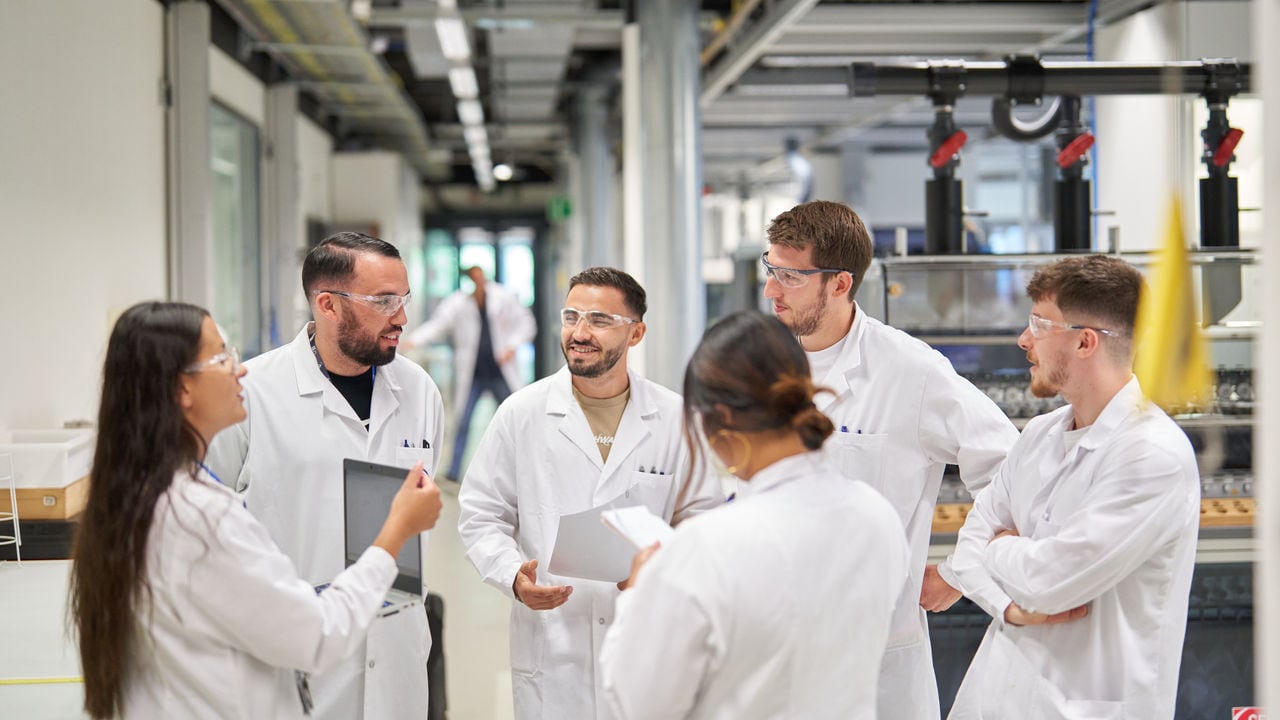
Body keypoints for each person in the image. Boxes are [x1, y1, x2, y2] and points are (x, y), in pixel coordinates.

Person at [69, 302, 443, 719]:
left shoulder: (150, 496)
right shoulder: (199, 517)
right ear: (182, 389)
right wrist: (396, 532)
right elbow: (316, 635)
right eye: (220, 357)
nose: (239, 369)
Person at [761, 200, 1019, 719]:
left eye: (790, 276)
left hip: (875, 662)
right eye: (771, 269)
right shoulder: (757, 362)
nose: (771, 290)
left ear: (839, 283)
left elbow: (1013, 471)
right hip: (768, 653)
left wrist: (961, 572)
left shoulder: (910, 371)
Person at [598, 311, 910, 719]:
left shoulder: (707, 547)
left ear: (718, 423)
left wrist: (641, 591)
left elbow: (637, 705)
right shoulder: (877, 517)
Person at [457, 266, 725, 719]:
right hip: (553, 650)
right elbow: (481, 514)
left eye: (600, 320)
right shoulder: (522, 413)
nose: (579, 333)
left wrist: (662, 566)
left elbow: (704, 516)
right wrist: (512, 576)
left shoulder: (676, 417)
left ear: (635, 333)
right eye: (571, 317)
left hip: (647, 641)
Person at [943, 255, 1199, 718]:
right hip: (994, 700)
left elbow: (1049, 583)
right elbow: (966, 553)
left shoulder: (1152, 455)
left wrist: (999, 549)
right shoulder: (1040, 435)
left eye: (1040, 326)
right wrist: (1010, 607)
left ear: (1085, 342)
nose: (1024, 340)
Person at [206, 231, 446, 719]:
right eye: (383, 301)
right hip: (292, 660)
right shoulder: (252, 396)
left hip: (397, 650)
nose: (401, 317)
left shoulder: (418, 391)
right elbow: (210, 529)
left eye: (403, 299)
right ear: (328, 304)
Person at [405, 265, 536, 482]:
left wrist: (512, 345)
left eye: (480, 278)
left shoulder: (503, 297)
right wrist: (414, 340)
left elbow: (527, 324)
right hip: (474, 374)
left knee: (516, 418)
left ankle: (528, 466)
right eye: (473, 279)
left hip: (499, 372)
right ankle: (453, 472)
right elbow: (437, 326)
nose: (478, 282)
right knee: (463, 422)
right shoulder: (457, 303)